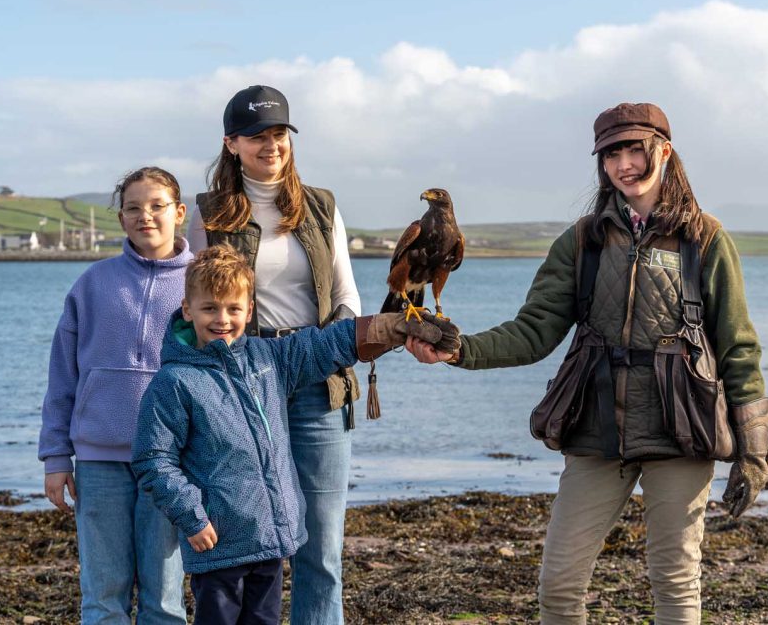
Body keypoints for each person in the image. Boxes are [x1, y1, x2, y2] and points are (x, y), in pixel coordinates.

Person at [407, 102, 768, 624]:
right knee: (558, 586)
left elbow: (738, 348)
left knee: (675, 583)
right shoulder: (581, 242)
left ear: (664, 151)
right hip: (596, 427)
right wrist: (458, 349)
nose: (624, 164)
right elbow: (533, 331)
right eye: (612, 154)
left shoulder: (706, 239)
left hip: (682, 431)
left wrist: (755, 452)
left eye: (635, 149)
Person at [131, 244, 458, 625]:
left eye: (234, 309)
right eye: (209, 308)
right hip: (217, 545)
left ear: (249, 310)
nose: (222, 319)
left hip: (270, 543)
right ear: (188, 310)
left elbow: (322, 345)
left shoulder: (268, 359)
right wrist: (192, 517)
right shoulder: (174, 382)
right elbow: (153, 459)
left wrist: (389, 327)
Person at [186, 84, 361, 624]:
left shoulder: (321, 205)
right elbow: (189, 303)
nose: (271, 145)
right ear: (231, 143)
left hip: (315, 379)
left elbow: (347, 294)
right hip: (240, 388)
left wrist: (334, 344)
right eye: (256, 135)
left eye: (279, 133)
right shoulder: (207, 214)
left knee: (321, 548)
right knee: (245, 542)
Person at [38, 167, 191, 624]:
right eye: (133, 208)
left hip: (170, 462)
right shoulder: (92, 283)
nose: (146, 216)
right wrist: (56, 457)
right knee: (102, 596)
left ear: (179, 213)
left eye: (157, 206)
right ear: (121, 218)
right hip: (99, 462)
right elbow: (62, 377)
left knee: (164, 599)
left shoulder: (203, 283)